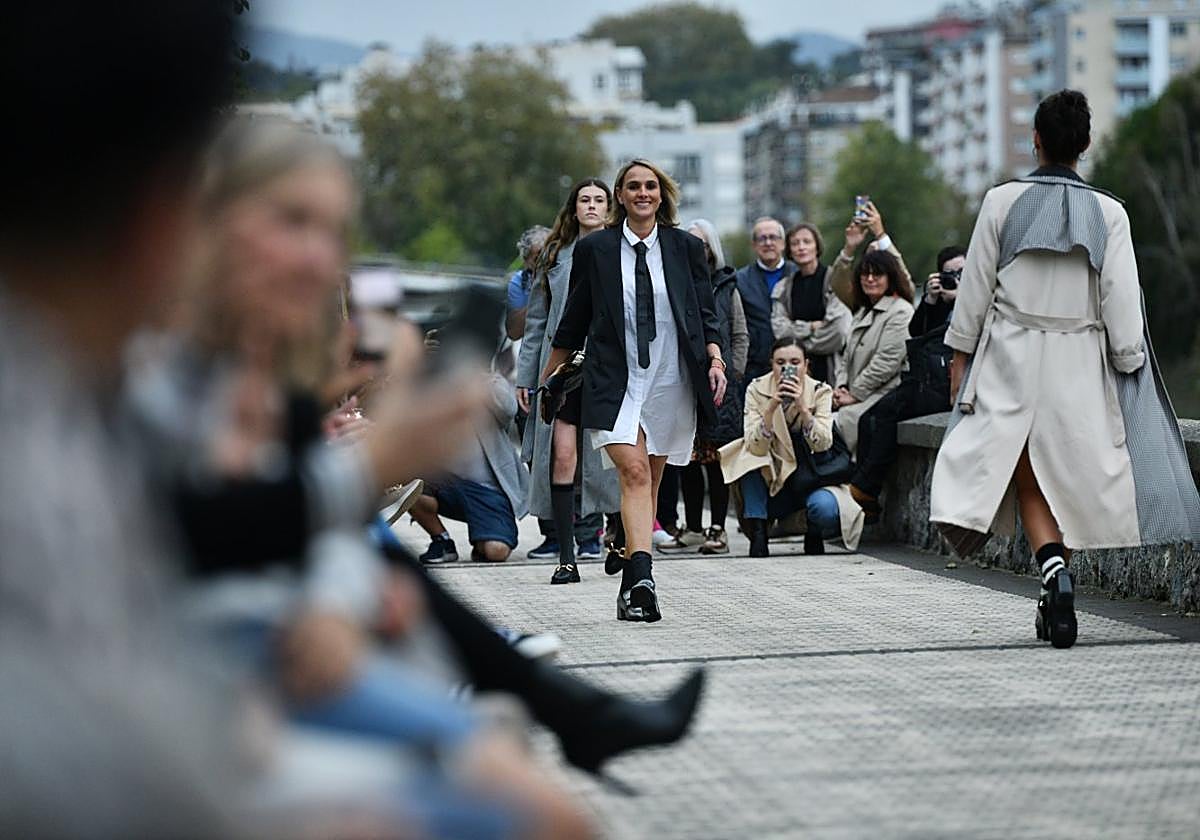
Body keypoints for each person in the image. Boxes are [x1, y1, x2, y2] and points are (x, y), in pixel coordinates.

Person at [930, 89, 1200, 649]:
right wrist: (1127, 359)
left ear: (1036, 139)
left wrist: (958, 362)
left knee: (1030, 477)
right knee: (1067, 479)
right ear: (1087, 145)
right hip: (1080, 362)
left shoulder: (1001, 202)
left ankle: (1054, 576)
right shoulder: (1111, 212)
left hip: (1010, 356)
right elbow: (1122, 301)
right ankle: (1058, 577)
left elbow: (974, 292)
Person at [545, 159, 727, 622]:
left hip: (671, 377)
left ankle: (629, 573)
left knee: (651, 478)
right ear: (620, 197)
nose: (643, 193)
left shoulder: (685, 248)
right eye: (632, 187)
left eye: (650, 186)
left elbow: (706, 314)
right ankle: (645, 580)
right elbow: (573, 318)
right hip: (616, 379)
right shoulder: (597, 250)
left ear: (661, 195)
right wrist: (550, 379)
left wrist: (717, 360)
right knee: (635, 475)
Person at [516, 178, 620, 583]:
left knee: (611, 458)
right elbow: (537, 321)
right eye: (584, 200)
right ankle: (566, 553)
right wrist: (528, 377)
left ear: (609, 206)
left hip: (608, 366)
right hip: (559, 366)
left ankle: (615, 536)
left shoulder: (620, 248)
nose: (591, 206)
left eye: (599, 199)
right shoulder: (554, 256)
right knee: (561, 456)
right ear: (573, 208)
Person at [849, 245, 966, 520]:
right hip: (927, 378)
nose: (955, 279)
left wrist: (962, 299)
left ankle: (864, 487)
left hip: (950, 385)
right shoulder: (939, 301)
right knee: (869, 418)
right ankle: (867, 498)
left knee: (889, 414)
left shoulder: (978, 296)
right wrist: (931, 301)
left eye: (961, 272)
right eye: (949, 274)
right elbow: (918, 333)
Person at [720, 337, 864, 557]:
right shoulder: (757, 389)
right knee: (745, 457)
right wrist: (771, 409)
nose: (788, 368)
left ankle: (813, 530)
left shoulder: (820, 391)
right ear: (772, 364)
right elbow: (754, 446)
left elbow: (824, 442)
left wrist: (804, 410)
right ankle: (758, 532)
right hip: (772, 473)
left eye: (795, 362)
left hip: (812, 472)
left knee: (826, 509)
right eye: (781, 362)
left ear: (806, 365)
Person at [657, 218, 749, 555]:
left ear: (711, 249)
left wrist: (732, 373)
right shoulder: (673, 282)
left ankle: (717, 528)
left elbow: (740, 334)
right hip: (684, 382)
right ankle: (693, 526)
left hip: (719, 385)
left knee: (717, 460)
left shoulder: (727, 285)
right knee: (687, 459)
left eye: (703, 243)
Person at [412, 370, 530, 564]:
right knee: (408, 484)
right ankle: (441, 540)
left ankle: (483, 536)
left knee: (496, 551)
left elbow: (509, 410)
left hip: (488, 488)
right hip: (447, 481)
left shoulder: (486, 379)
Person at [828, 249, 914, 455]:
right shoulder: (862, 312)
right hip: (853, 393)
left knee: (840, 426)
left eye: (877, 274)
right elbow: (846, 357)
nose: (870, 279)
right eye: (865, 274)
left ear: (890, 278)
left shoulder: (901, 311)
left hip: (881, 395)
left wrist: (855, 394)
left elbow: (887, 362)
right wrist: (841, 387)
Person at [770, 222, 852, 387]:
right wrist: (811, 327)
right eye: (795, 243)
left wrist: (797, 346)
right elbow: (780, 331)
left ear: (817, 246)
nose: (801, 247)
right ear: (789, 250)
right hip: (794, 375)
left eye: (807, 241)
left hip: (833, 371)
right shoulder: (784, 287)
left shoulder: (833, 281)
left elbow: (839, 332)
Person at [737, 217, 798, 381]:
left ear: (783, 243)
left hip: (793, 362)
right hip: (755, 366)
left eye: (773, 237)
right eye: (762, 238)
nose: (768, 242)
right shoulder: (740, 280)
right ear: (754, 245)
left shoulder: (798, 274)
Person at [505, 225, 550, 340]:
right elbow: (514, 332)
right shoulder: (520, 282)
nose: (545, 263)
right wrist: (540, 290)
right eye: (538, 258)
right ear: (526, 261)